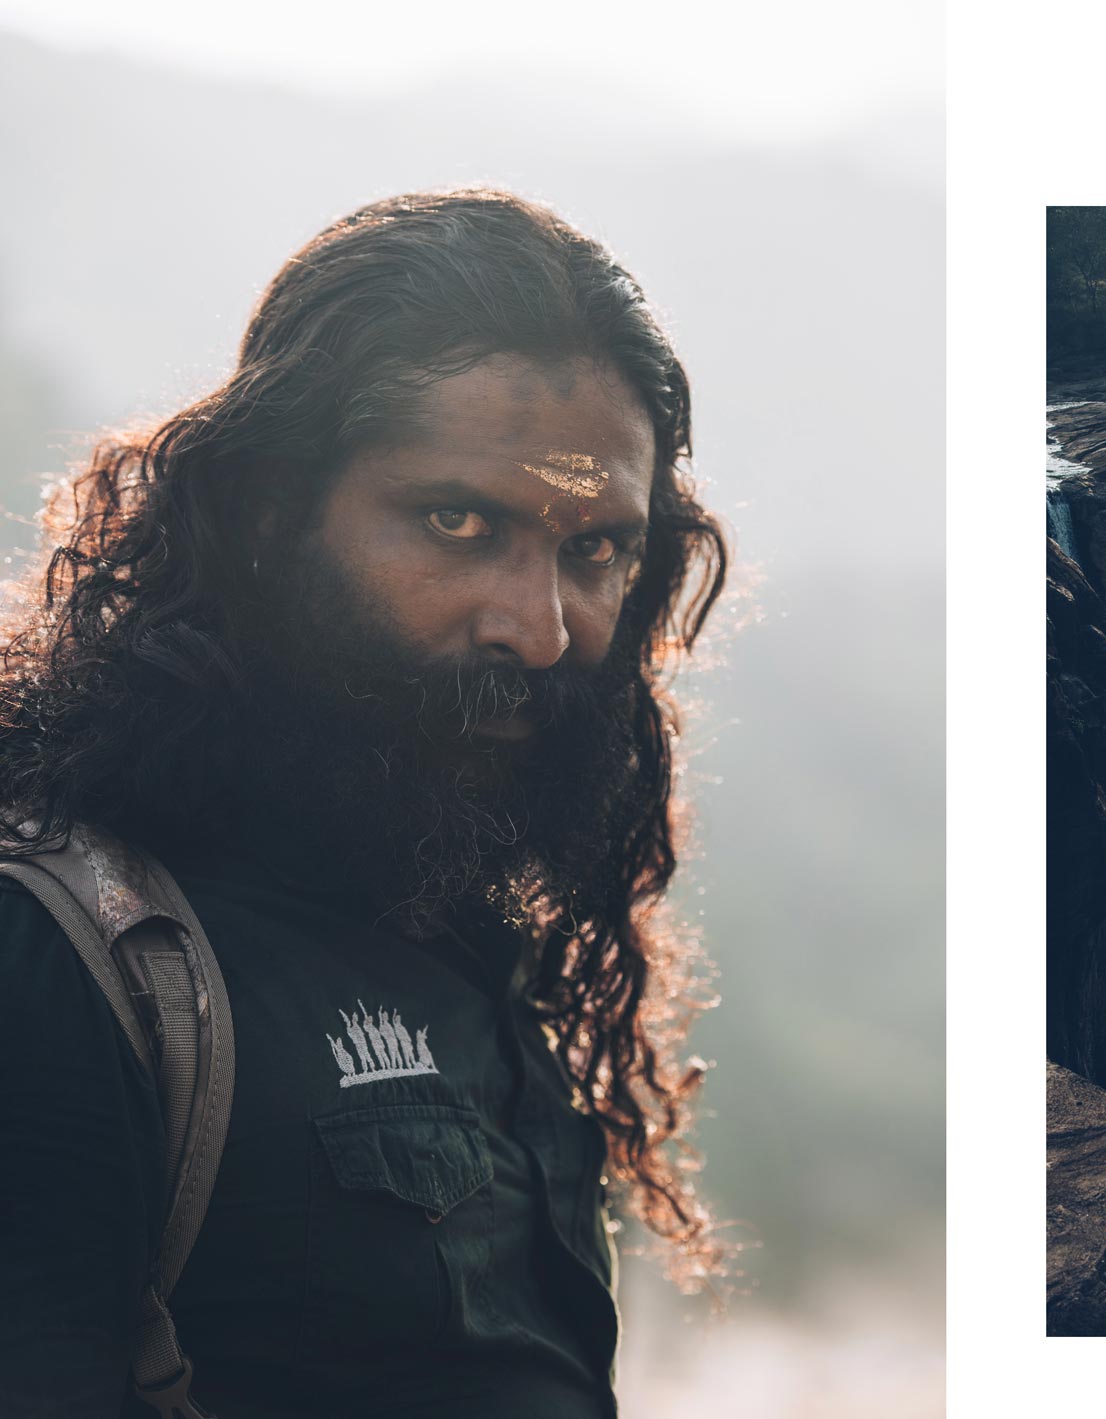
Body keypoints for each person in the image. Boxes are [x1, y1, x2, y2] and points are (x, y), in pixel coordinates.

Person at [0, 188, 729, 1416]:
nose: (538, 630)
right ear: (266, 513)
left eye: (594, 550)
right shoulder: (70, 965)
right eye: (456, 521)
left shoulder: (461, 913)